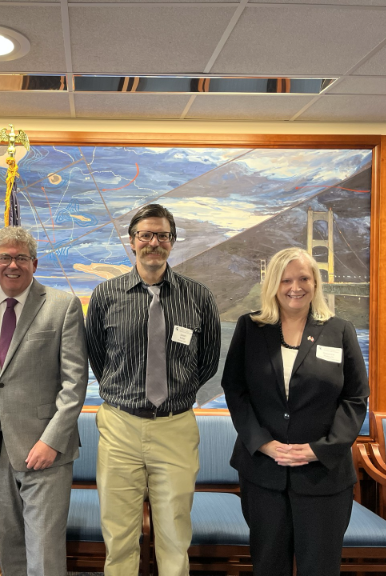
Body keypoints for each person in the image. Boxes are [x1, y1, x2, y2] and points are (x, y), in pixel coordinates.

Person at [86, 203, 221, 576]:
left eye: (162, 235)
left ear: (172, 242)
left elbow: (208, 362)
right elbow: (98, 358)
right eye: (145, 235)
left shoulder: (198, 297)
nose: (154, 243)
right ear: (132, 241)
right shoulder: (105, 295)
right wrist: (126, 392)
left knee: (175, 537)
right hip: (119, 427)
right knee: (118, 537)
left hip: (175, 427)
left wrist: (176, 394)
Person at [0, 226, 88, 576]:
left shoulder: (63, 306)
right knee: (9, 549)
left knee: (43, 552)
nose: (13, 265)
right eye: (5, 257)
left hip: (45, 453)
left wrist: (51, 441)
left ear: (34, 264)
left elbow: (74, 384)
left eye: (21, 258)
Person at [222, 247, 369, 576]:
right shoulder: (250, 328)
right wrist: (263, 443)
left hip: (323, 475)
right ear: (273, 284)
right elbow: (235, 389)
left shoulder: (339, 330)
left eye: (304, 278)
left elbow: (356, 397)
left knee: (320, 568)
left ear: (315, 282)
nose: (295, 287)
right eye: (285, 280)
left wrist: (321, 449)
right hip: (263, 473)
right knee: (268, 566)